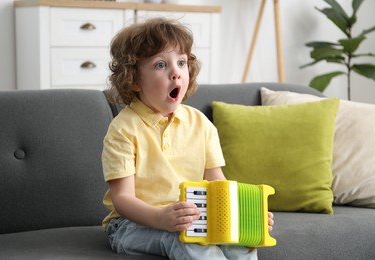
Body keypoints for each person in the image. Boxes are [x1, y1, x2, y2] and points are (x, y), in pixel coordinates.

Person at [102, 17, 274, 259]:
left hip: (195, 219)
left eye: (181, 63)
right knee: (184, 240)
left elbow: (217, 184)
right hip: (131, 225)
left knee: (239, 243)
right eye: (161, 65)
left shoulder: (201, 123)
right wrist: (161, 218)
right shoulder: (123, 129)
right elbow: (123, 199)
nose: (176, 73)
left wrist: (246, 218)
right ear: (135, 80)